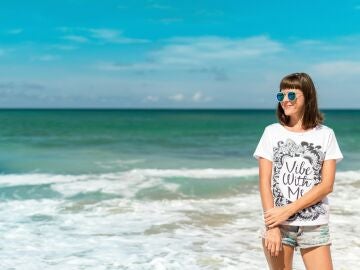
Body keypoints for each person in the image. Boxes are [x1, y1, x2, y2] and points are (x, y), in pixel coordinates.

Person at [253, 72, 343, 270]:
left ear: (308, 97)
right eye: (281, 96)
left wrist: (288, 210)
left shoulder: (326, 135)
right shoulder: (271, 132)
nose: (285, 100)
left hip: (314, 224)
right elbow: (265, 184)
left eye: (291, 95)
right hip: (278, 225)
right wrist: (273, 226)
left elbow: (326, 185)